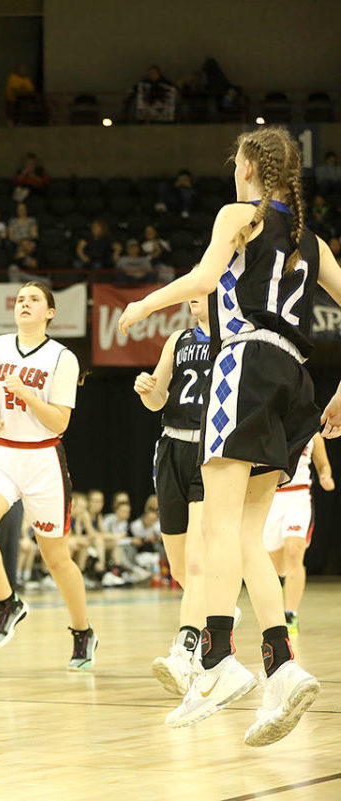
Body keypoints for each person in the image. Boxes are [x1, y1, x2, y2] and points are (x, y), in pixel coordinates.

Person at [119, 126, 329, 745]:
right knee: (243, 534)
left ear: (247, 167)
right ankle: (281, 665)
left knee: (214, 527)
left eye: (234, 160)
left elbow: (203, 281)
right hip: (297, 380)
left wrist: (142, 306)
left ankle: (214, 662)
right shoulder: (309, 239)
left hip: (248, 362)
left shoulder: (238, 214)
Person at [0, 282, 95, 669]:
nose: (25, 304)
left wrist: (29, 395)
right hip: (1, 455)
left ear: (49, 313)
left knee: (56, 558)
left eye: (34, 299)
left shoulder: (61, 358)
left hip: (42, 459)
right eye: (20, 299)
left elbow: (61, 422)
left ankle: (82, 631)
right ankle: (8, 602)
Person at [133, 295, 212, 695]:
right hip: (171, 448)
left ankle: (184, 651)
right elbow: (156, 401)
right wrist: (147, 388)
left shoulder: (238, 339)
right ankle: (216, 615)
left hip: (212, 453)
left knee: (198, 564)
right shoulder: (178, 340)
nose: (196, 292)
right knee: (181, 569)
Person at [263, 434, 332, 634]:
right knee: (274, 567)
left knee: (294, 553)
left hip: (298, 496)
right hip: (270, 497)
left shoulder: (312, 434)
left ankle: (290, 613)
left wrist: (325, 476)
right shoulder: (267, 424)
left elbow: (323, 465)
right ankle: (287, 580)